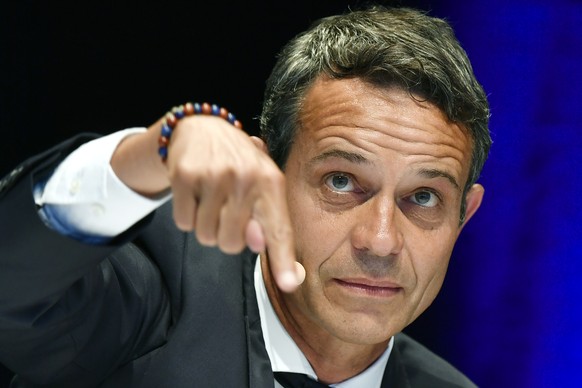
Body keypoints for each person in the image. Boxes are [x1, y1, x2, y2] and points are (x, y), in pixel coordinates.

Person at [0, 5, 491, 388]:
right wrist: (152, 153)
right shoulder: (153, 292)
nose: (381, 241)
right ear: (265, 180)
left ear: (463, 218)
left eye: (423, 197)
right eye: (341, 181)